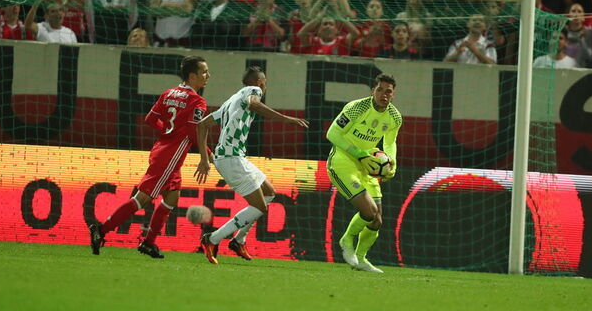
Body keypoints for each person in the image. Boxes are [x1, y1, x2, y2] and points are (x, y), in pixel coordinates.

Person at [90, 56, 211, 259]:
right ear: (192, 76)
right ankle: (101, 230)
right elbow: (193, 132)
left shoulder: (169, 93)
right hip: (170, 157)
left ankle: (149, 242)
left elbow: (150, 119)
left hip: (161, 150)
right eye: (205, 72)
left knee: (172, 197)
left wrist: (167, 132)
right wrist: (206, 157)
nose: (209, 76)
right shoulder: (197, 101)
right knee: (142, 199)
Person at [196, 66, 309, 263]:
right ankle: (212, 238)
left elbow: (202, 125)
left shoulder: (230, 101)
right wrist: (286, 119)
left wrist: (205, 159)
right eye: (264, 84)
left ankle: (238, 240)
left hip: (233, 157)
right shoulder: (252, 91)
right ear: (259, 83)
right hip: (231, 159)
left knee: (269, 193)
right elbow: (254, 104)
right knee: (259, 207)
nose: (264, 88)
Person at [325, 73, 401, 273]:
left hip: (367, 165)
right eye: (380, 90)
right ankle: (346, 240)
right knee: (368, 212)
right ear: (373, 91)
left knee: (377, 220)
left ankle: (360, 259)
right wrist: (358, 154)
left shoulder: (394, 117)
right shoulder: (357, 108)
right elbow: (332, 133)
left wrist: (392, 162)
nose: (383, 94)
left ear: (393, 95)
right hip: (343, 162)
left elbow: (390, 142)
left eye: (388, 91)